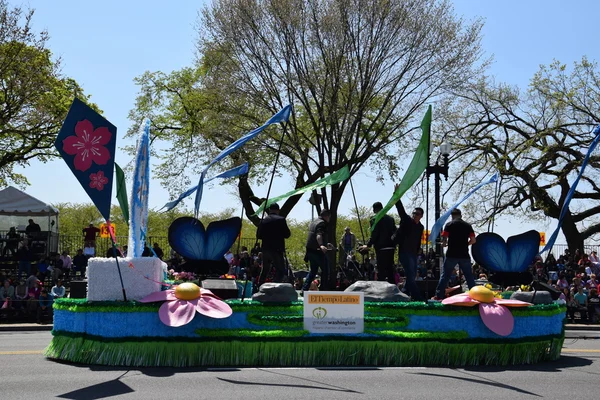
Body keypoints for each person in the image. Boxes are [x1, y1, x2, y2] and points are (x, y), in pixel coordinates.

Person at [433, 208, 477, 300]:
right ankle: (475, 296)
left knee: (445, 275)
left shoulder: (449, 225)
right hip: (464, 254)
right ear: (461, 215)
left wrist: (443, 244)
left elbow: (444, 241)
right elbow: (473, 240)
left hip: (451, 254)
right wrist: (466, 244)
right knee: (469, 276)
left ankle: (439, 295)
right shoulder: (468, 226)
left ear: (452, 216)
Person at [393, 193, 424, 301]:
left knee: (413, 274)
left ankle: (405, 292)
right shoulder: (407, 221)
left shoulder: (420, 227)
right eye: (414, 213)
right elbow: (400, 210)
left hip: (413, 253)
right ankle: (417, 296)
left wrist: (419, 249)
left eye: (417, 214)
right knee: (410, 274)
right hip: (404, 252)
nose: (415, 215)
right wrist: (396, 195)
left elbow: (419, 240)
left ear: (421, 216)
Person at [359, 202, 397, 284]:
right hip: (391, 247)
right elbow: (395, 232)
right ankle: (393, 291)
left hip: (381, 248)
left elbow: (375, 233)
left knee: (381, 271)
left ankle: (381, 291)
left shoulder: (374, 219)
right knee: (390, 270)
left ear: (374, 210)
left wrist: (368, 245)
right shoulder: (391, 219)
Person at [256, 203, 291, 285]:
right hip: (277, 249)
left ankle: (259, 287)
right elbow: (287, 234)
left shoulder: (263, 221)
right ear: (278, 210)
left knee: (265, 270)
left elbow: (258, 235)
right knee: (280, 270)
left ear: (269, 210)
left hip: (265, 249)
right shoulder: (281, 220)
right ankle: (275, 286)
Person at [302, 209, 333, 292]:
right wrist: (322, 245)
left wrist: (326, 244)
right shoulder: (322, 223)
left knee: (313, 271)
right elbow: (318, 235)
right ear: (327, 216)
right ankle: (323, 289)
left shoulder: (314, 222)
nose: (329, 219)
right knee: (326, 270)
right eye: (329, 217)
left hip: (310, 250)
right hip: (317, 251)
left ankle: (304, 289)